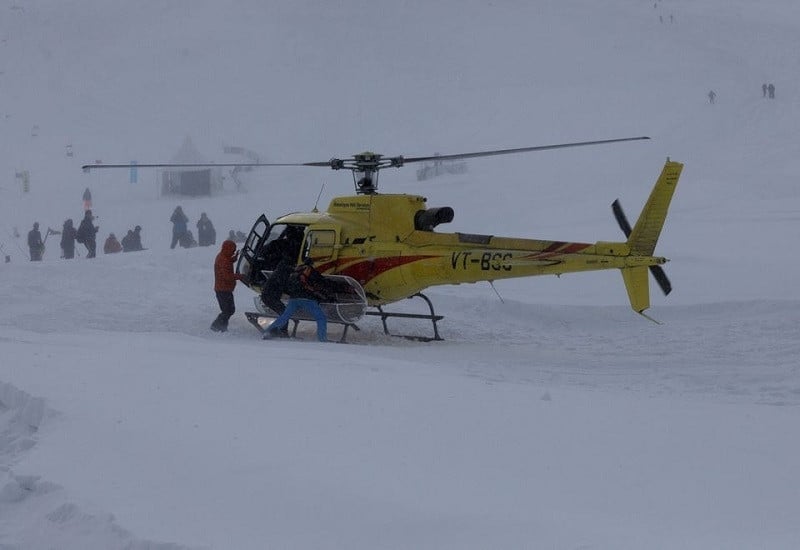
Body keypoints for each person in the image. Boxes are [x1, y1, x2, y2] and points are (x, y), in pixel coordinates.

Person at [263, 258, 332, 342]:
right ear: (312, 264)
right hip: (308, 299)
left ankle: (268, 332)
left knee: (284, 317)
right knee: (321, 318)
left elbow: (289, 285)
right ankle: (322, 339)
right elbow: (322, 282)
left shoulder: (295, 271)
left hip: (294, 299)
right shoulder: (311, 271)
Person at [211, 240, 245, 332]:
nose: (233, 252)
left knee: (229, 310)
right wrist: (240, 276)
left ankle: (221, 327)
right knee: (227, 310)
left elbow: (228, 260)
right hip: (223, 289)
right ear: (228, 249)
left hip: (224, 289)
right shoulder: (223, 260)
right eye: (233, 250)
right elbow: (227, 276)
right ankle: (217, 326)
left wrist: (235, 257)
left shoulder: (223, 256)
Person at [259, 254, 293, 337]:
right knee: (284, 313)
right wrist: (293, 292)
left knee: (284, 313)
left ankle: (281, 331)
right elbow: (285, 286)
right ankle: (274, 331)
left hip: (269, 297)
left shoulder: (279, 270)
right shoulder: (282, 274)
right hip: (270, 297)